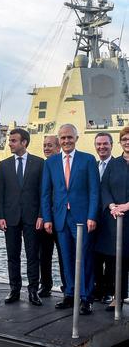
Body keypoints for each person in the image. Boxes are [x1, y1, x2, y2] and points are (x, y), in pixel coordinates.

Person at [41, 123, 99, 315]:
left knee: (84, 258)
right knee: (65, 258)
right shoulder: (51, 162)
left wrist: (92, 216)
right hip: (60, 219)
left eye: (69, 137)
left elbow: (94, 192)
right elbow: (46, 193)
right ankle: (70, 294)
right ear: (59, 140)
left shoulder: (88, 160)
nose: (66, 141)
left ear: (76, 138)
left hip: (82, 219)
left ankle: (86, 297)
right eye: (63, 138)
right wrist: (47, 218)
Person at [0, 128, 44, 306]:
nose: (10, 143)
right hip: (10, 217)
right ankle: (14, 290)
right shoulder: (4, 164)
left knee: (33, 256)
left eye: (14, 141)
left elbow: (43, 193)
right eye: (10, 140)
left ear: (24, 142)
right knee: (12, 255)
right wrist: (0, 216)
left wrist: (41, 215)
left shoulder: (39, 163)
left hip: (32, 218)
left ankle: (33, 291)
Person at [95, 127, 129, 312]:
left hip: (128, 215)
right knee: (118, 260)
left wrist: (127, 205)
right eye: (124, 139)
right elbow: (104, 188)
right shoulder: (113, 164)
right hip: (115, 220)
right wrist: (111, 206)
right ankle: (118, 297)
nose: (127, 142)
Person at [38, 135, 65, 297]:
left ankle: (67, 286)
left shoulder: (64, 165)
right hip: (44, 218)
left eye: (50, 145)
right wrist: (41, 216)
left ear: (58, 147)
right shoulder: (41, 166)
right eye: (44, 145)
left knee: (64, 255)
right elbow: (40, 195)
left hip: (62, 219)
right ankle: (46, 285)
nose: (47, 148)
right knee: (44, 256)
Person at [93, 132, 114, 304]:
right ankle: (97, 289)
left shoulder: (117, 165)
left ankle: (109, 291)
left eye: (105, 144)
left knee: (111, 258)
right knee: (95, 257)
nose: (102, 147)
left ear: (111, 145)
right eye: (99, 144)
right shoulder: (93, 165)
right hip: (94, 218)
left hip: (112, 219)